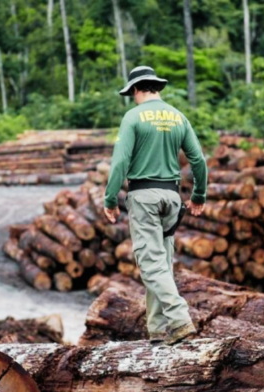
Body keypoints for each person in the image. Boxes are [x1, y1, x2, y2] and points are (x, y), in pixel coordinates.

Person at [103, 66, 208, 345]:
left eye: (132, 94)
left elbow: (120, 162)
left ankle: (180, 319)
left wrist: (110, 199)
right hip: (171, 198)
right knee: (160, 264)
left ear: (137, 89)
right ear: (156, 87)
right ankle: (158, 332)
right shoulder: (178, 116)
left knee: (150, 264)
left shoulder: (133, 117)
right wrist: (199, 195)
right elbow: (198, 160)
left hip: (144, 197)